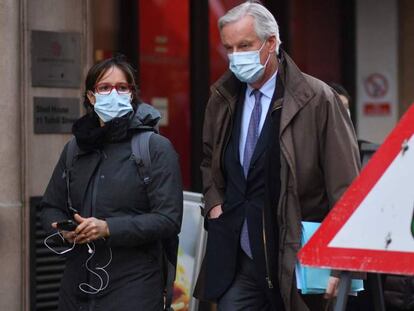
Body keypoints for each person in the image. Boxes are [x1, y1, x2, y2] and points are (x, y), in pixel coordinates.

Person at [193, 2, 360, 310]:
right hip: (238, 254)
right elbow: (209, 160)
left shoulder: (317, 99)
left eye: (245, 45)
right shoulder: (222, 98)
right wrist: (215, 205)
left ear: (271, 43)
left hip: (294, 253)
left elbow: (345, 185)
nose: (235, 56)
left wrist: (342, 261)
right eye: (229, 48)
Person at [40, 56, 183, 311]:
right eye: (105, 88)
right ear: (91, 97)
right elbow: (51, 206)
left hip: (134, 285)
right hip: (77, 285)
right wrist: (63, 232)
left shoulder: (154, 148)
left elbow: (168, 219)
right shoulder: (74, 148)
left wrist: (108, 228)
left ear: (132, 94)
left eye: (122, 87)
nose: (113, 93)